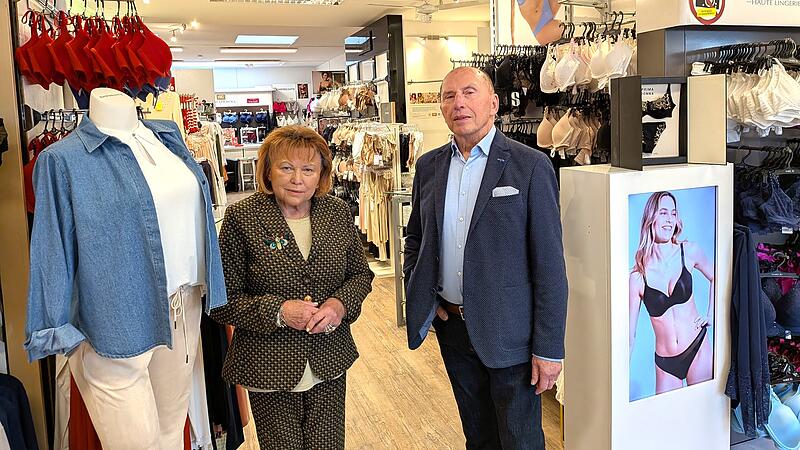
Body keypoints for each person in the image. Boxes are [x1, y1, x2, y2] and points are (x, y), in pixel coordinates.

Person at [403, 66, 568, 449]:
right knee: (477, 435)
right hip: (454, 328)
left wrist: (548, 347)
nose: (458, 102)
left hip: (510, 330)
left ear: (493, 104)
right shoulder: (429, 167)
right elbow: (416, 238)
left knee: (520, 439)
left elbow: (549, 267)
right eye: (448, 95)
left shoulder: (530, 166)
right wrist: (425, 291)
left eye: (469, 92)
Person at [211, 125, 374, 449]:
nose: (297, 179)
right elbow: (221, 299)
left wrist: (339, 305)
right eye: (286, 167)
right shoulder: (242, 217)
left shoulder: (337, 212)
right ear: (268, 171)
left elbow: (360, 275)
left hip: (328, 360)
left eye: (308, 169)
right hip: (268, 366)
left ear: (321, 174)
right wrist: (279, 311)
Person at [629, 191, 714, 394]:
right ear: (651, 218)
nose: (669, 220)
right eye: (663, 213)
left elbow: (718, 276)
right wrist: (618, 373)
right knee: (667, 423)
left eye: (673, 214)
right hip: (665, 362)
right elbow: (629, 335)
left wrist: (711, 314)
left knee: (700, 415)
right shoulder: (637, 277)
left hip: (697, 348)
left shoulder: (689, 251)